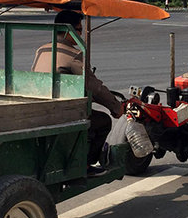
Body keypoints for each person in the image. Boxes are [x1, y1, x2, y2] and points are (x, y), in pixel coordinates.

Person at [32, 10, 123, 171]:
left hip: (39, 108)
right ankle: (86, 165)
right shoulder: (74, 54)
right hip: (62, 112)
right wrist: (116, 107)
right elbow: (94, 87)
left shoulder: (41, 49)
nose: (80, 34)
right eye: (79, 30)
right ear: (69, 31)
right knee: (103, 121)